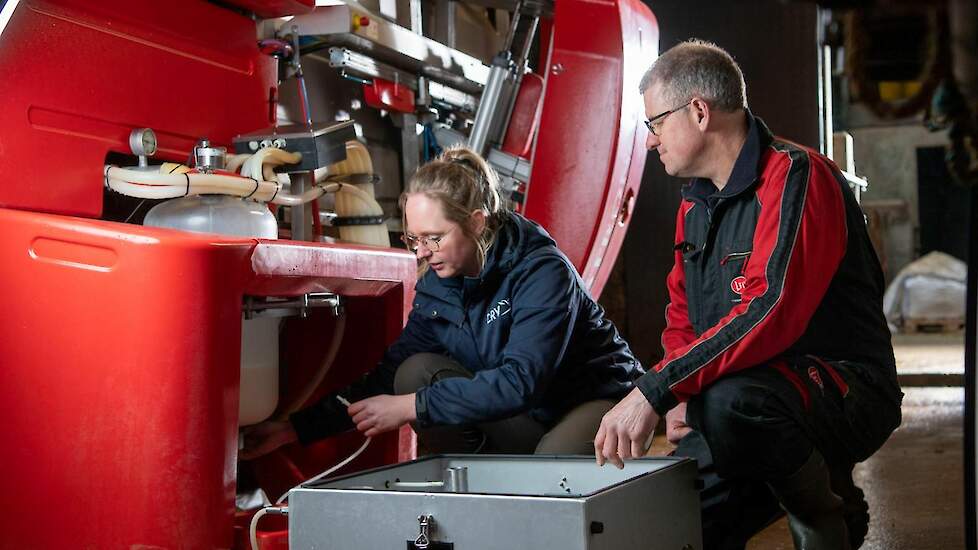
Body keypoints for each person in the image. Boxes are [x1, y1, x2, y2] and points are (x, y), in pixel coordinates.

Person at [593, 40, 903, 550]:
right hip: (741, 400)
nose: (649, 141)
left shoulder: (798, 176)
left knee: (733, 406)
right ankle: (817, 485)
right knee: (674, 520)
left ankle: (826, 514)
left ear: (698, 111)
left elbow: (769, 310)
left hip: (842, 392)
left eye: (654, 124)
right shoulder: (695, 206)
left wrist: (657, 388)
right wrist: (681, 394)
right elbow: (682, 313)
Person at [242, 146, 643, 459]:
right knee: (413, 372)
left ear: (476, 222)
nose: (421, 253)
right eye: (413, 239)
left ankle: (531, 488)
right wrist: (295, 429)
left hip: (595, 403)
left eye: (433, 238)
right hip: (529, 416)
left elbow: (521, 381)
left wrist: (412, 407)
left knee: (552, 472)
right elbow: (388, 376)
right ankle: (485, 494)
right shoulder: (440, 284)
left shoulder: (542, 272)